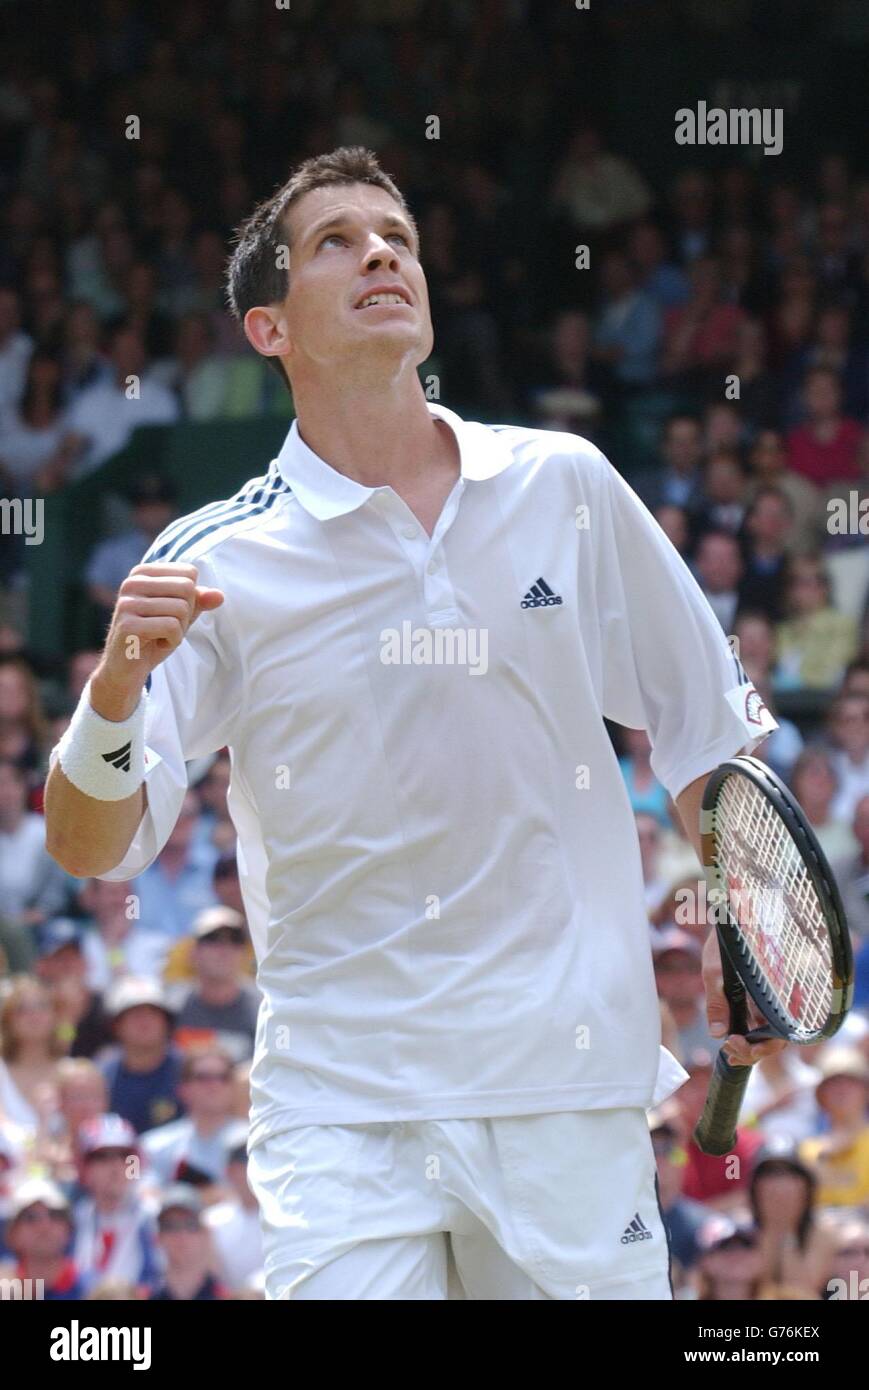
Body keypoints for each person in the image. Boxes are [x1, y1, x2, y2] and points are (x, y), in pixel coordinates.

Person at [45, 146, 783, 1303]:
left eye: (396, 237)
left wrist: (753, 920)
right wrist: (113, 691)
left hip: (565, 1089)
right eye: (333, 242)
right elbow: (93, 846)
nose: (379, 252)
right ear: (267, 328)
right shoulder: (209, 563)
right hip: (345, 1107)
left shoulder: (566, 485)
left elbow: (704, 736)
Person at [72, 1113, 159, 1292]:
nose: (115, 1166)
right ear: (85, 1168)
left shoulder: (155, 1218)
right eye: (101, 1157)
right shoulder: (72, 1220)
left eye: (125, 1156)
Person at [749, 1139, 839, 1297]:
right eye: (769, 1174)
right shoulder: (740, 1231)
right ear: (755, 1185)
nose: (778, 1183)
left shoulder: (825, 1232)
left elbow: (802, 1290)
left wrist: (786, 1229)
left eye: (789, 1173)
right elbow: (753, 1291)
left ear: (806, 1184)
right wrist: (771, 1227)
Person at [140, 1043, 239, 1186]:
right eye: (203, 1077)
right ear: (183, 1088)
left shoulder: (255, 1142)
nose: (214, 1085)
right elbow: (135, 1187)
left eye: (223, 1077)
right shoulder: (150, 1145)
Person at [169, 908, 258, 1062]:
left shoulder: (262, 1008)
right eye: (212, 939)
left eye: (235, 940)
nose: (224, 949)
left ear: (244, 953)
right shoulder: (172, 1006)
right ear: (193, 952)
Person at [99, 977, 183, 1135]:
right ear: (117, 1025)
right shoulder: (103, 1076)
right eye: (135, 1014)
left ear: (167, 1023)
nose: (145, 1022)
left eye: (153, 1014)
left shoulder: (189, 1072)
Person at [800, 1048, 869, 1208]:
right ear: (820, 1096)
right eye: (833, 1084)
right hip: (821, 1229)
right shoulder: (807, 1150)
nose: (841, 1090)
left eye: (850, 1083)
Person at [0, 1178, 84, 1299]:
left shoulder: (91, 1288)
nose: (44, 1226)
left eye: (55, 1215)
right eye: (30, 1217)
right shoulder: (4, 1288)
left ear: (69, 1229)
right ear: (12, 1233)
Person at [148, 1183, 226, 1301]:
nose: (181, 1234)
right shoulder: (143, 1295)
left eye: (191, 1225)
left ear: (206, 1234)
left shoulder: (225, 1296)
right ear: (158, 1237)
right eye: (170, 1226)